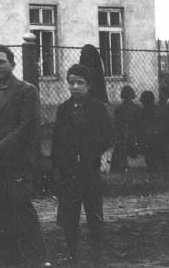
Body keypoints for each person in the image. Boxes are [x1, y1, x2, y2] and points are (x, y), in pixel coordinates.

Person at [0, 46, 50, 267]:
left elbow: (27, 126)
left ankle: (38, 259)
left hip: (16, 163)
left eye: (1, 62)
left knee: (21, 208)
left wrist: (1, 149)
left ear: (13, 64)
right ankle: (8, 259)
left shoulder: (27, 90)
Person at [52, 64, 114, 264]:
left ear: (88, 85)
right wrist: (58, 167)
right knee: (70, 215)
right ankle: (72, 252)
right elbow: (57, 141)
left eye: (80, 83)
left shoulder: (97, 108)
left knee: (94, 212)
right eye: (72, 83)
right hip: (69, 172)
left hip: (90, 169)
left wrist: (104, 158)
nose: (75, 87)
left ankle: (97, 252)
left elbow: (109, 136)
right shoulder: (63, 109)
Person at [110, 85, 141, 173]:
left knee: (118, 148)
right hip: (136, 136)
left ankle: (117, 168)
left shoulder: (118, 109)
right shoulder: (137, 108)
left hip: (123, 136)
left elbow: (117, 125)